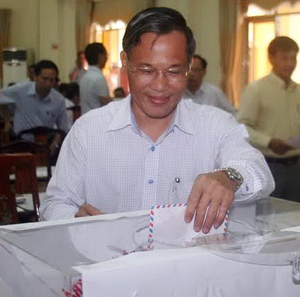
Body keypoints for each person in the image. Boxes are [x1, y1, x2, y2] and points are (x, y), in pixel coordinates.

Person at [40, 7, 274, 234]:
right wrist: (74, 220)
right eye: (146, 70)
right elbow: (54, 205)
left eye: (174, 72)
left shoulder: (214, 125)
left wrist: (229, 177)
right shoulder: (89, 130)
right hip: (109, 267)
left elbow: (259, 172)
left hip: (188, 269)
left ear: (189, 66)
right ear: (125, 62)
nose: (160, 86)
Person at [237, 36, 300, 203]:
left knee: (297, 216)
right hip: (268, 165)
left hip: (296, 166)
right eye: (284, 58)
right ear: (271, 58)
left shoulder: (298, 90)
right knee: (267, 219)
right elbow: (241, 127)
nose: (290, 64)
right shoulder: (257, 89)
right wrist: (269, 142)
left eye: (293, 58)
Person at [0, 60, 69, 136]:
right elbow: (1, 95)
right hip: (20, 141)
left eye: (52, 80)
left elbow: (62, 129)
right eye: (44, 79)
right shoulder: (21, 90)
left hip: (46, 142)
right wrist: (7, 121)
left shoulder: (59, 100)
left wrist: (54, 144)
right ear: (35, 77)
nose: (48, 83)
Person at [79, 42, 111, 114]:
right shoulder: (99, 78)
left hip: (85, 117)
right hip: (97, 119)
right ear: (100, 56)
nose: (107, 58)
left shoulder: (84, 76)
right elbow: (106, 103)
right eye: (105, 54)